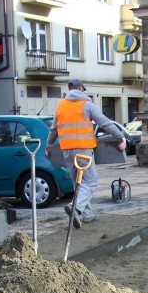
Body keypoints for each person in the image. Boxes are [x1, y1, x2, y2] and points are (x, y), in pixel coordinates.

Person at [46, 79, 125, 228]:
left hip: (66, 151)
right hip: (82, 150)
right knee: (91, 181)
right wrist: (120, 135)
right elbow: (104, 122)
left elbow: (53, 130)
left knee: (79, 184)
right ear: (80, 88)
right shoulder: (86, 104)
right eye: (83, 89)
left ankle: (86, 214)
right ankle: (75, 207)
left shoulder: (61, 106)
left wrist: (48, 146)